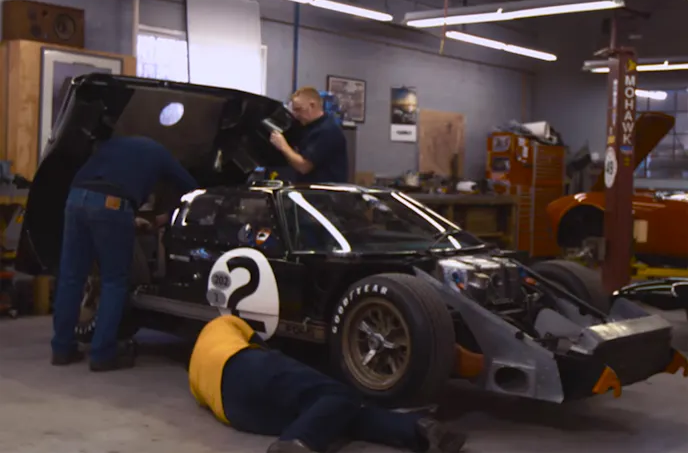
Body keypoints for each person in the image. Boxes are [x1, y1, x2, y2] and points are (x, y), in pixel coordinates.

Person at [189, 315, 467, 453]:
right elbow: (264, 349)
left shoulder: (196, 372)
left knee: (332, 413)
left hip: (236, 412)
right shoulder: (225, 322)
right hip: (243, 364)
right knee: (339, 394)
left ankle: (419, 430)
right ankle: (292, 445)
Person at [51, 135, 199, 371]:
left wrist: (127, 216)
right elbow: (194, 191)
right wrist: (166, 216)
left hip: (76, 198)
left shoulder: (115, 144)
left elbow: (103, 187)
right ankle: (102, 354)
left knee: (71, 277)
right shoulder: (160, 153)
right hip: (112, 204)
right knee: (114, 281)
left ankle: (61, 349)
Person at [269, 87, 348, 184]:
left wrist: (283, 146)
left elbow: (304, 167)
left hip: (325, 191)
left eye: (299, 109)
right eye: (294, 110)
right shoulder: (305, 126)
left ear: (312, 105)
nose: (296, 114)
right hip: (308, 188)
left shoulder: (327, 131)